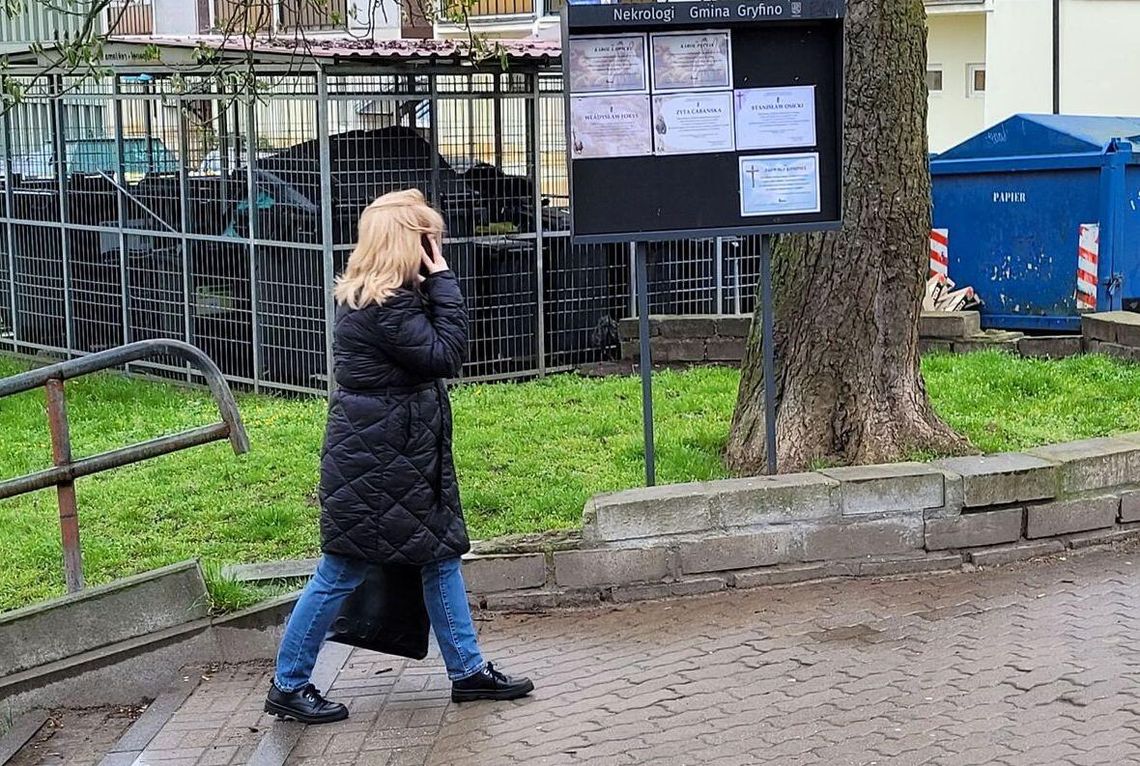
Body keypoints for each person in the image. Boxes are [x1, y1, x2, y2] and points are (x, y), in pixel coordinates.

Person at [265, 189, 534, 725]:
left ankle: (468, 672)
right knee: (341, 568)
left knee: (438, 556)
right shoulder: (387, 306)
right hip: (378, 461)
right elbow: (445, 355)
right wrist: (444, 280)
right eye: (430, 238)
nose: (438, 245)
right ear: (408, 244)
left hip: (399, 456)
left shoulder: (380, 297)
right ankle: (288, 684)